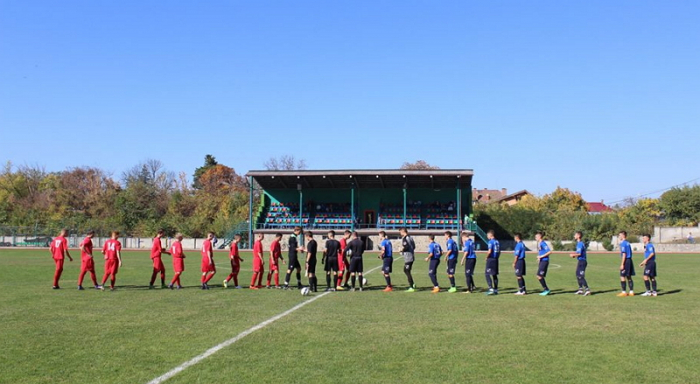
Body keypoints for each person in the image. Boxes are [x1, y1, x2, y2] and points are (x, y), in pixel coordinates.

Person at [569, 231, 590, 296]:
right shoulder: (579, 243)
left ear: (578, 236)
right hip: (580, 261)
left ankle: (587, 289)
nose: (574, 236)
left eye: (575, 235)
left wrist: (573, 255)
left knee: (581, 276)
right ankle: (580, 289)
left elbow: (579, 253)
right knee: (578, 275)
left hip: (582, 261)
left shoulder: (580, 244)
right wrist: (575, 255)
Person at [617, 231, 635, 297]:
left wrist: (622, 264)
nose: (619, 237)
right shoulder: (628, 243)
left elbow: (624, 254)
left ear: (623, 235)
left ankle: (624, 292)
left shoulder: (623, 244)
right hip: (629, 260)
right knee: (629, 276)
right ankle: (631, 292)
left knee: (622, 276)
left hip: (626, 261)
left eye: (619, 235)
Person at [399, 227, 417, 292]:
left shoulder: (405, 238)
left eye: (400, 232)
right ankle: (413, 284)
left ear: (403, 231)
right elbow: (414, 246)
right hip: (411, 256)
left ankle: (411, 287)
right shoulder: (411, 237)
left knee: (407, 271)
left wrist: (402, 249)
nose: (400, 233)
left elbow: (406, 247)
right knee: (406, 270)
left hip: (408, 257)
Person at [535, 231, 552, 296]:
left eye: (536, 237)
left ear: (539, 237)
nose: (535, 238)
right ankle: (546, 289)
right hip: (542, 261)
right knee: (539, 276)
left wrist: (541, 256)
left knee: (539, 276)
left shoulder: (543, 243)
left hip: (545, 261)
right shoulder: (539, 244)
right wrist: (539, 258)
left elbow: (549, 252)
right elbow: (541, 252)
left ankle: (546, 289)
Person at [484, 230, 500, 295]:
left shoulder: (491, 242)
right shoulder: (497, 241)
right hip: (496, 259)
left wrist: (486, 257)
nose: (487, 237)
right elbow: (499, 251)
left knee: (487, 273)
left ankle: (490, 288)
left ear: (490, 235)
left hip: (491, 259)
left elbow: (490, 251)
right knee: (494, 274)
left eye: (487, 235)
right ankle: (496, 289)